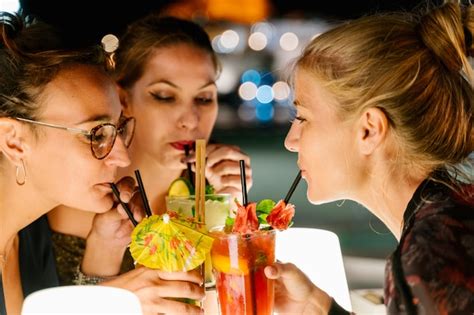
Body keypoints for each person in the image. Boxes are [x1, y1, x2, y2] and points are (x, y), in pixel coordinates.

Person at [265, 1, 474, 314]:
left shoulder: (429, 261)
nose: (290, 141)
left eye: (303, 117)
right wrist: (319, 307)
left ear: (369, 130)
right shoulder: (445, 228)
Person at [0, 12, 203, 314]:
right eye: (96, 135)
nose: (122, 156)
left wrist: (104, 248)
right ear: (14, 141)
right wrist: (105, 300)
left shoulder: (31, 235)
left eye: (119, 130)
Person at [47, 14, 253, 285]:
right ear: (123, 99)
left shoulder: (215, 190)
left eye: (204, 98)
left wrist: (234, 217)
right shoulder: (87, 195)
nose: (190, 120)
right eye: (165, 96)